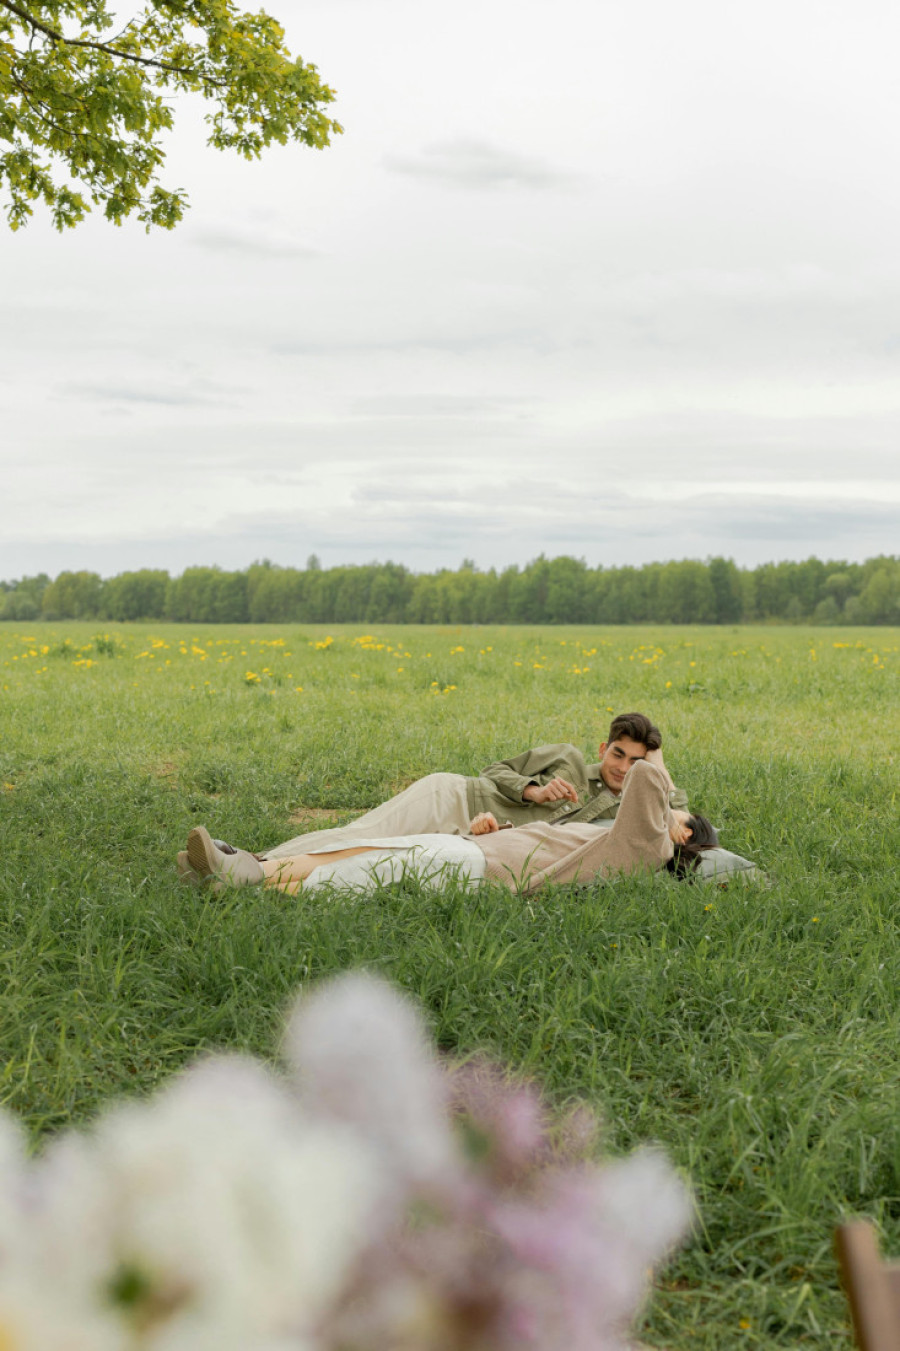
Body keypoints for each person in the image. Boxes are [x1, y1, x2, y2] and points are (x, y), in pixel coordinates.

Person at [177, 711, 689, 882]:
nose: (624, 768)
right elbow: (494, 769)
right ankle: (247, 863)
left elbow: (672, 813)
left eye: (637, 761)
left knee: (369, 859)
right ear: (604, 747)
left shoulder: (632, 804)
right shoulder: (567, 756)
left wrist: (654, 766)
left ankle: (239, 867)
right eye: (618, 754)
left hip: (479, 843)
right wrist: (532, 790)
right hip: (457, 800)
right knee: (363, 834)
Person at [184, 759, 716, 898]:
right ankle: (242, 868)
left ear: (684, 835)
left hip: (478, 866)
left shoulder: (648, 850)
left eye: (679, 815)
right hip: (474, 846)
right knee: (355, 849)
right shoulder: (618, 835)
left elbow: (647, 777)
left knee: (355, 869)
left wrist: (666, 789)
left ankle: (244, 880)